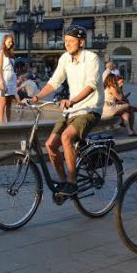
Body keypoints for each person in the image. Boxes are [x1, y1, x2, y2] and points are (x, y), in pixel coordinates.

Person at [32, 25, 103, 196]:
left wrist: (72, 100)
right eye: (65, 41)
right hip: (71, 111)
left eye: (71, 41)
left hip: (90, 109)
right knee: (50, 145)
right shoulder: (65, 58)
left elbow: (91, 86)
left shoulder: (92, 58)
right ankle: (63, 181)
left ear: (81, 42)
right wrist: (36, 97)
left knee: (66, 137)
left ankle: (72, 181)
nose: (67, 44)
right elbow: (55, 81)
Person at [0, 35, 18, 124]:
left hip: (12, 80)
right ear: (4, 42)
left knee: (9, 103)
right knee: (3, 103)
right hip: (4, 80)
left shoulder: (11, 53)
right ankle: (1, 123)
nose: (10, 43)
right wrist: (1, 81)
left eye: (11, 42)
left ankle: (8, 122)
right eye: (8, 41)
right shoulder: (1, 52)